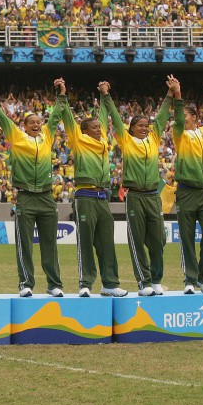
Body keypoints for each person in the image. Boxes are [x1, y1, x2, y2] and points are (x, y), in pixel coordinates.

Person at [0, 88, 64, 297]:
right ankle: (26, 284)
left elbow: (56, 116)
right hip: (25, 197)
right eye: (32, 123)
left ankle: (54, 284)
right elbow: (3, 118)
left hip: (47, 197)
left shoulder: (47, 136)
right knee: (25, 245)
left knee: (50, 244)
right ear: (25, 126)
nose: (36, 125)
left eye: (39, 122)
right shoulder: (17, 137)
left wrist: (61, 95)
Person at [101, 78, 173, 296]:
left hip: (153, 196)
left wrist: (170, 93)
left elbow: (162, 116)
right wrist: (106, 95)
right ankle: (144, 282)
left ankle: (156, 279)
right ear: (131, 128)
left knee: (159, 239)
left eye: (146, 126)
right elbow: (115, 117)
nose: (144, 128)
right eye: (140, 125)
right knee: (137, 240)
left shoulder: (154, 139)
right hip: (135, 196)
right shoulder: (126, 140)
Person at [56, 78, 127, 297]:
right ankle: (85, 283)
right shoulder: (78, 139)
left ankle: (110, 284)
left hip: (102, 197)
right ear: (84, 130)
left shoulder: (103, 141)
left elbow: (103, 116)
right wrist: (62, 94)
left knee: (107, 243)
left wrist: (105, 94)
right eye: (94, 127)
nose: (99, 129)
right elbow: (68, 118)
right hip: (85, 196)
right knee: (86, 242)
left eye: (99, 127)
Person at [171, 76, 203, 294]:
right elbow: (177, 118)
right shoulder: (179, 134)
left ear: (194, 117)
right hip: (186, 192)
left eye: (184, 115)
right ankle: (190, 280)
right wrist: (177, 95)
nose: (179, 118)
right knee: (187, 238)